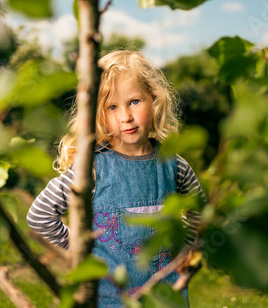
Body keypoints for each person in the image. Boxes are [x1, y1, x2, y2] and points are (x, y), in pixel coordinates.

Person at [27, 50, 205, 306]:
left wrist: (182, 252)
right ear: (99, 114)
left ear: (153, 99)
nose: (126, 117)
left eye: (134, 101)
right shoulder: (91, 168)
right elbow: (39, 217)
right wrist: (80, 252)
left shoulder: (174, 165)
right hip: (108, 298)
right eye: (112, 107)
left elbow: (199, 214)